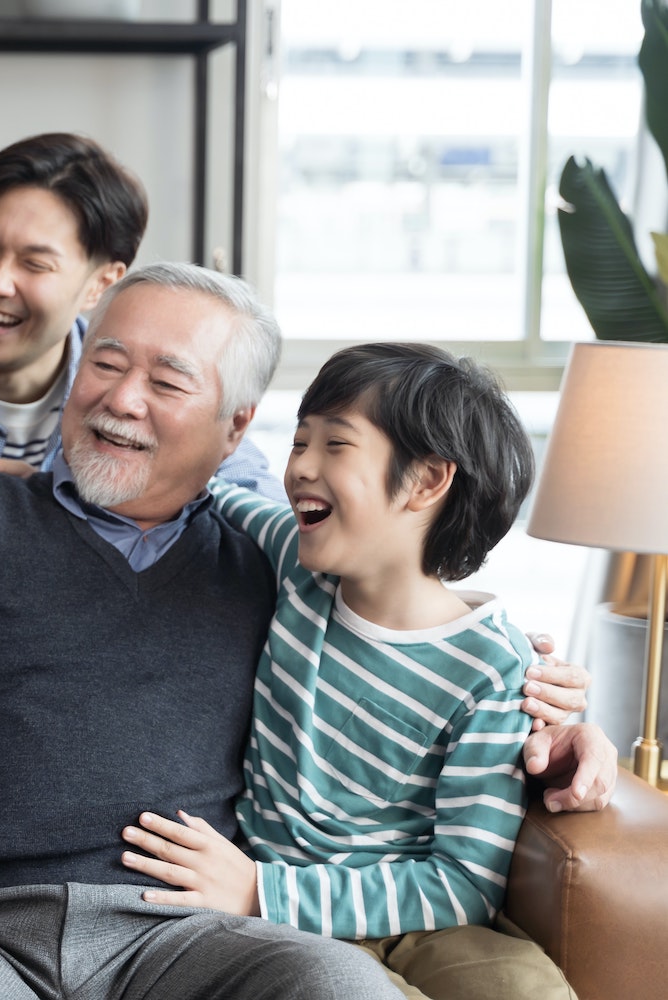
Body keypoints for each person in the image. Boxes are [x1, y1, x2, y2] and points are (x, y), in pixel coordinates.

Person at [0, 263, 614, 1000]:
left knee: (343, 988)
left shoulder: (280, 556)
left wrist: (552, 716)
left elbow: (401, 595)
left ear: (235, 431)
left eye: (167, 381)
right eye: (105, 363)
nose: (123, 399)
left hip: (191, 934)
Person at [119, 343, 574, 999]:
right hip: (276, 916)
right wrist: (50, 476)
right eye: (299, 441)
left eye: (335, 445)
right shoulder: (296, 562)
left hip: (416, 916)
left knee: (521, 988)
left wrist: (261, 889)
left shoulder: (494, 670)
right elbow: (208, 488)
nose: (300, 466)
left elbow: (465, 883)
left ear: (426, 481)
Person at [0, 133, 282, 574]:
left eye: (35, 263)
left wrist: (56, 523)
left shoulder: (127, 393)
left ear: (101, 283)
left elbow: (273, 525)